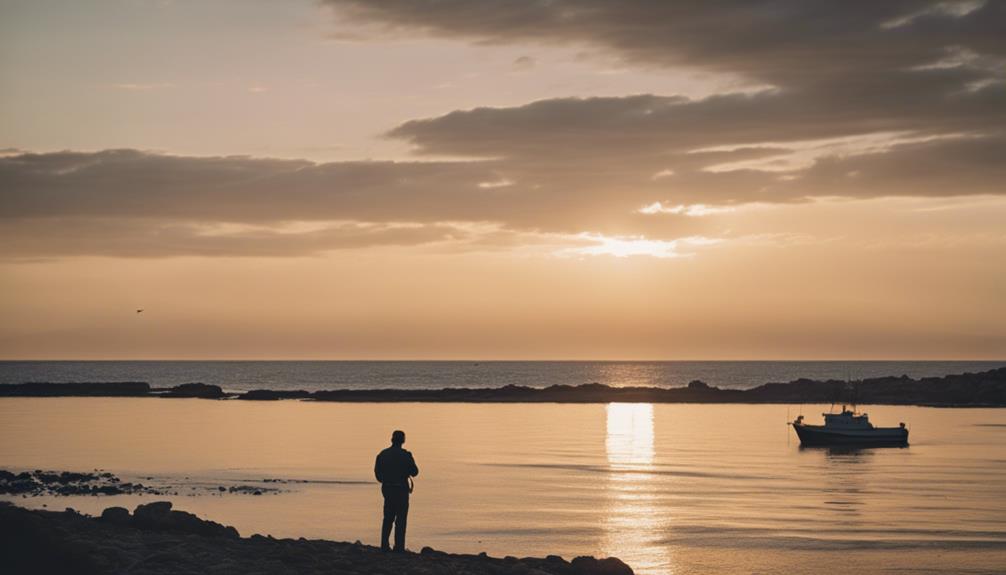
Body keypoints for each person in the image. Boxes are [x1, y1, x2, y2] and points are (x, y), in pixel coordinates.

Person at [374, 429, 419, 552]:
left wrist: (387, 479)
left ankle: (384, 545)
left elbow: (378, 476)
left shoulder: (382, 454)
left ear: (392, 440)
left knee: (388, 518)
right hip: (401, 491)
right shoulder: (406, 455)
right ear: (403, 441)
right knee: (401, 520)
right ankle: (399, 547)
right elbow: (415, 472)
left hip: (388, 490)